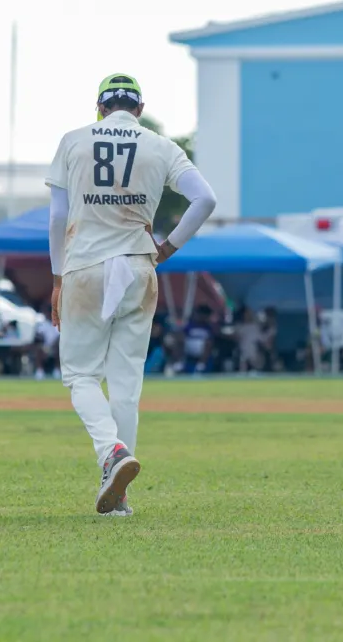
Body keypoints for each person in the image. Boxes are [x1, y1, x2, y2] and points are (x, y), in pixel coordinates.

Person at [47, 73, 217, 516]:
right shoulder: (161, 146)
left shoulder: (74, 140)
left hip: (84, 264)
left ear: (100, 107)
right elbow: (205, 200)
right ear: (138, 109)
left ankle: (112, 452)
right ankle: (119, 495)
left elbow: (57, 215)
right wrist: (168, 247)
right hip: (140, 266)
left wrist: (56, 275)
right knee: (126, 384)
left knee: (81, 376)